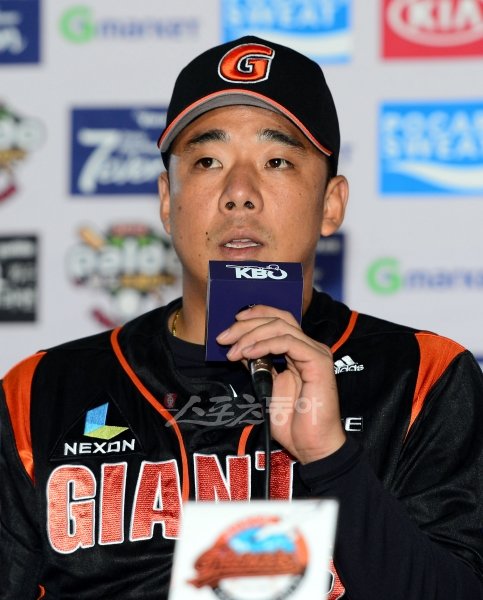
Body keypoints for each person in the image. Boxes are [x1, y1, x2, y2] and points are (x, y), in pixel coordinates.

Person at [1, 35, 482, 600]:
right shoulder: (40, 392)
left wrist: (332, 461)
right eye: (208, 161)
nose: (239, 194)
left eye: (277, 161)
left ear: (331, 203)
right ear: (167, 200)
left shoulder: (422, 377)